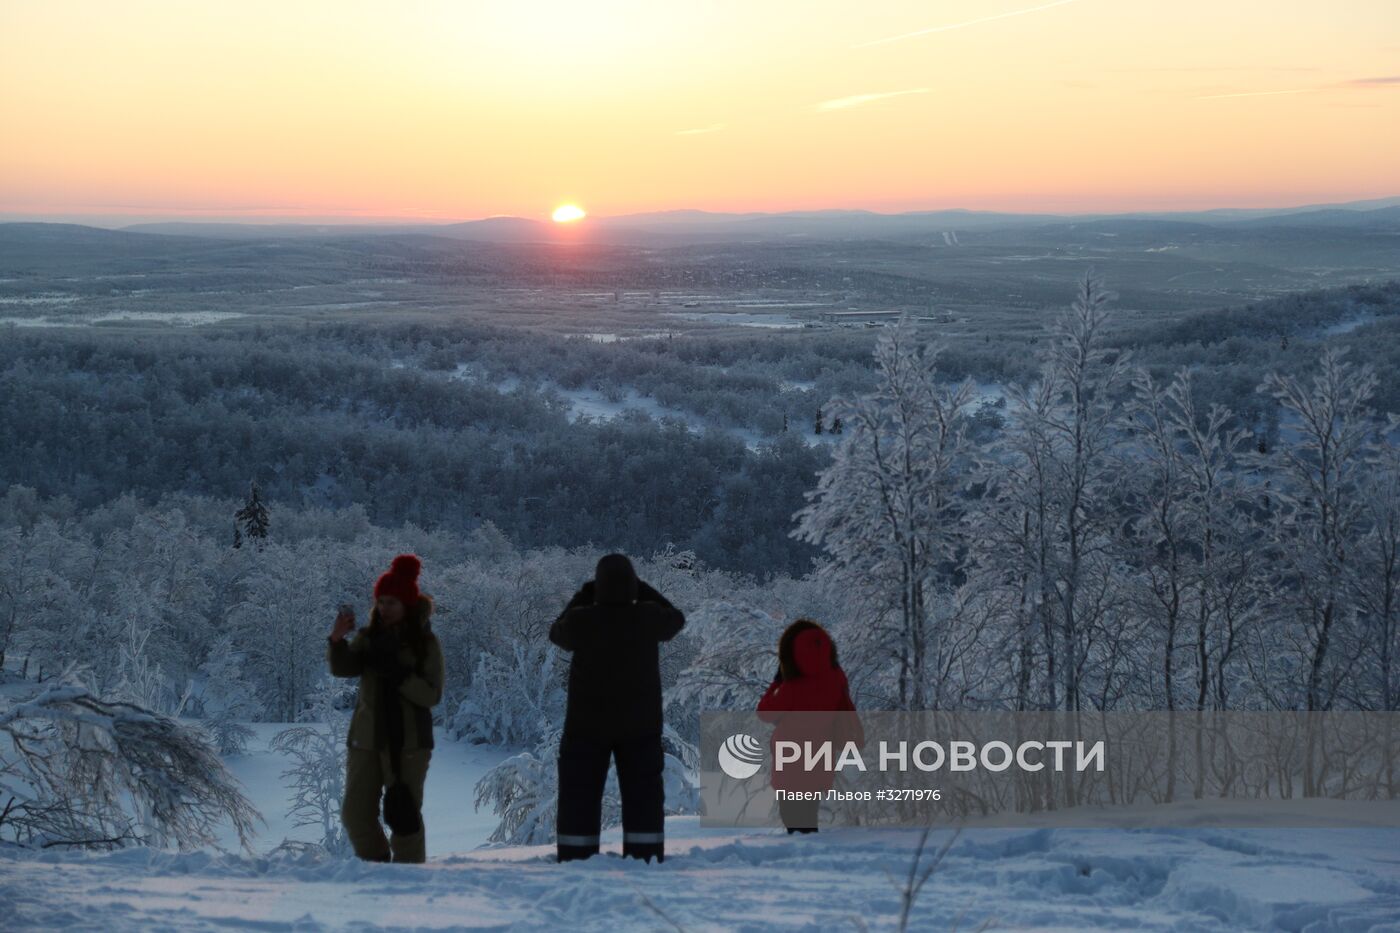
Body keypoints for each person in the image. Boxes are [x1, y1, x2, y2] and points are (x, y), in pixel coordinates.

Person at [549, 553, 685, 863]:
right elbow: (676, 618)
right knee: (643, 795)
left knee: (578, 794)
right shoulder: (648, 617)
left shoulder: (582, 620)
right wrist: (644, 590)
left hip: (585, 725)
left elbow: (556, 632)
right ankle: (645, 854)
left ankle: (575, 854)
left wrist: (583, 597)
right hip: (641, 725)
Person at [327, 553, 444, 863]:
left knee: (403, 816)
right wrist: (337, 640)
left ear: (407, 604)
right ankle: (378, 866)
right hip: (366, 738)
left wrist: (399, 674)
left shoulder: (424, 644)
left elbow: (432, 695)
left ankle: (408, 879)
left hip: (408, 742)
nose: (384, 608)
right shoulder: (369, 638)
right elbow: (344, 668)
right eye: (381, 601)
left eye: (392, 602)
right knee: (355, 814)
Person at [756, 619, 862, 834]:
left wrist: (776, 683)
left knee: (792, 817)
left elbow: (764, 713)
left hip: (790, 757)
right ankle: (809, 854)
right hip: (820, 754)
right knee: (808, 813)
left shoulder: (792, 685)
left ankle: (798, 859)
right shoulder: (836, 677)